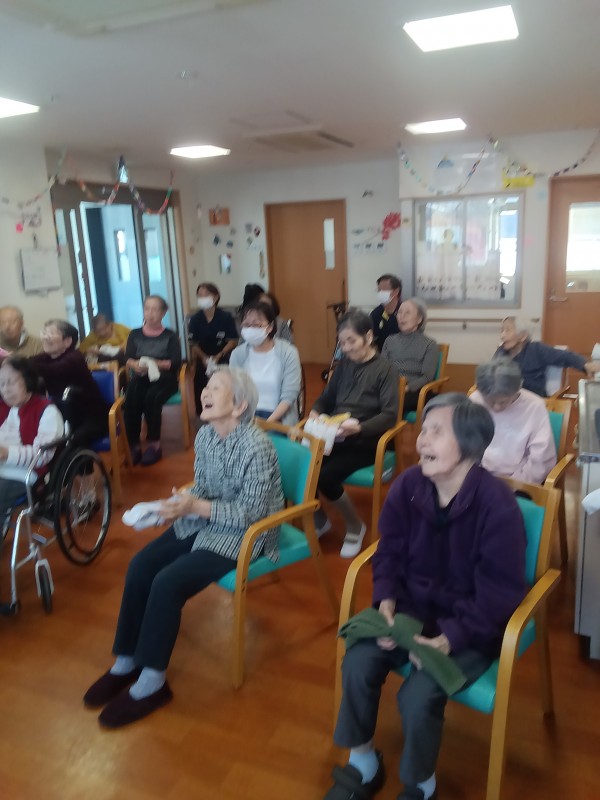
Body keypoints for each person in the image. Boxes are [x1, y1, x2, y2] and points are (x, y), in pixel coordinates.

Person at [326, 393, 527, 800]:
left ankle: (421, 783)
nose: (422, 440)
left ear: (469, 445)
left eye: (437, 432)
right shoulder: (409, 485)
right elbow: (389, 553)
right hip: (410, 610)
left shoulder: (498, 506)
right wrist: (386, 599)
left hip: (469, 627)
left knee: (418, 696)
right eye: (423, 430)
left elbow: (498, 595)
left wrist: (449, 638)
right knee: (358, 662)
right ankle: (363, 763)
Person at [82, 367, 283, 728]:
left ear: (239, 406)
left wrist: (196, 507)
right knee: (141, 565)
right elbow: (203, 485)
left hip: (245, 533)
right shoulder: (205, 436)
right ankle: (127, 659)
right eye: (207, 387)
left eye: (216, 388)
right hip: (205, 517)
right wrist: (173, 507)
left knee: (167, 582)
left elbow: (252, 513)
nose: (205, 392)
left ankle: (153, 681)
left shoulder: (257, 446)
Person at [310, 310, 398, 558]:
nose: (346, 348)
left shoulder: (385, 369)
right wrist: (316, 411)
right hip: (337, 435)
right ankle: (320, 519)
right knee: (305, 466)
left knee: (325, 476)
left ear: (368, 337)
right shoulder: (344, 367)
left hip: (366, 440)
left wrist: (359, 427)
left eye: (352, 341)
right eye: (342, 342)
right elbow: (326, 398)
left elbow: (390, 415)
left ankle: (355, 526)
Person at [0, 357, 64, 531]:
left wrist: (6, 453)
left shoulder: (47, 411)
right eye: (1, 384)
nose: (6, 389)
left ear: (27, 380)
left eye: (11, 382)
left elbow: (42, 455)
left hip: (28, 474)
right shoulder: (6, 408)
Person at [470, 358, 556, 484]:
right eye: (490, 401)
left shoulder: (534, 407)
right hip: (479, 475)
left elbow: (541, 460)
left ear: (518, 388)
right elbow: (465, 443)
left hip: (518, 480)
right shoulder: (475, 400)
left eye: (503, 402)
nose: (496, 407)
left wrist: (513, 484)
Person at [30, 319, 109, 447]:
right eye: (44, 333)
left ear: (67, 341)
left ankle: (84, 460)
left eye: (51, 333)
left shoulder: (75, 357)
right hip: (65, 414)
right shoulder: (46, 357)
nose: (45, 338)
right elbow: (28, 363)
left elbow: (55, 370)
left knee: (70, 442)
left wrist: (26, 364)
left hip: (91, 416)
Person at [123, 295, 181, 466]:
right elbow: (128, 357)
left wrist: (155, 363)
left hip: (165, 378)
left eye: (155, 309)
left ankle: (154, 446)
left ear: (163, 313)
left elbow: (175, 362)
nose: (150, 313)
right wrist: (134, 364)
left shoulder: (170, 335)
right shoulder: (135, 334)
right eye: (147, 308)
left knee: (151, 398)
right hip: (141, 376)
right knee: (131, 397)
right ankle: (133, 445)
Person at [230, 300, 301, 425]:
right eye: (246, 324)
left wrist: (266, 424)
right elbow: (233, 391)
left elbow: (289, 395)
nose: (250, 328)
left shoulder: (288, 353)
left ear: (270, 327)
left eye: (256, 324)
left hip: (279, 419)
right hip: (246, 417)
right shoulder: (238, 354)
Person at [494, 316, 600, 396]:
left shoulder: (536, 349)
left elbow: (565, 356)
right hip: (505, 401)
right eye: (502, 330)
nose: (502, 336)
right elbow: (490, 374)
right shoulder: (501, 351)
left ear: (523, 336)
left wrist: (585, 364)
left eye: (507, 330)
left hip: (533, 403)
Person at [187, 283, 238, 416]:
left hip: (223, 356)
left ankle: (224, 410)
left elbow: (233, 341)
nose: (202, 298)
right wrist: (204, 358)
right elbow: (193, 344)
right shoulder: (195, 319)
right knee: (200, 381)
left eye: (206, 295)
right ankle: (203, 413)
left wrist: (218, 355)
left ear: (215, 297)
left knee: (223, 382)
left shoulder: (226, 317)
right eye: (199, 295)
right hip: (202, 357)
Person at [382, 298, 439, 414]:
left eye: (407, 312)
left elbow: (427, 377)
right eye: (399, 312)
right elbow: (381, 369)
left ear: (419, 319)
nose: (402, 316)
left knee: (390, 401)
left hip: (415, 390)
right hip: (391, 388)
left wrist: (405, 388)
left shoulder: (429, 344)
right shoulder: (389, 341)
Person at [369, 274, 402, 351]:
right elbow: (371, 339)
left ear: (396, 291)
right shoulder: (375, 314)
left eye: (384, 290)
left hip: (402, 354)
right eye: (379, 290)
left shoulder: (404, 311)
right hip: (381, 354)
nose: (380, 293)